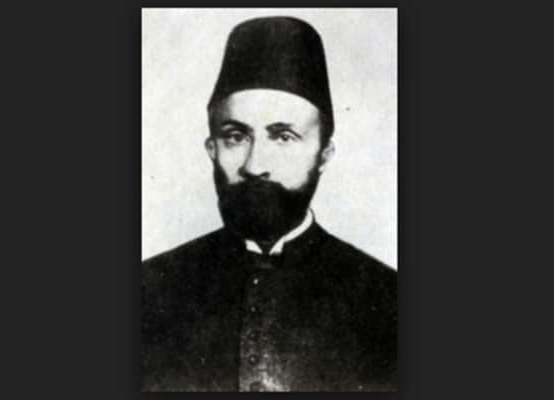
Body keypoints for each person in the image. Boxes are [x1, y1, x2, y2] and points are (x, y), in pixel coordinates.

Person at [141, 16, 396, 392]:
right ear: (211, 148)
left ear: (324, 155)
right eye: (235, 136)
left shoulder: (389, 300)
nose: (255, 164)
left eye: (283, 136)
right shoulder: (147, 291)